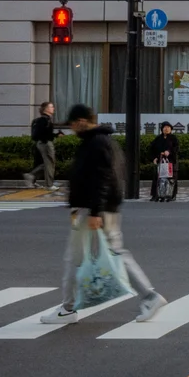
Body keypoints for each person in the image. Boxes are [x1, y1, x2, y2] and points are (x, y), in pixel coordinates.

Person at [41, 104, 164, 325]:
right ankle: (149, 296)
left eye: (72, 124)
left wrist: (95, 211)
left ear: (81, 121)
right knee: (116, 253)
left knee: (75, 259)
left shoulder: (96, 143)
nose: (72, 129)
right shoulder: (101, 141)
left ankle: (68, 309)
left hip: (94, 209)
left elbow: (102, 178)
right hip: (102, 208)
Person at [25, 101, 59, 190]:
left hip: (42, 143)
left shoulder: (44, 119)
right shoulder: (44, 120)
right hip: (45, 143)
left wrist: (56, 135)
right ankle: (49, 185)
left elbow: (44, 133)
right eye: (51, 107)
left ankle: (32, 177)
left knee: (45, 164)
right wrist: (52, 137)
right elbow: (44, 133)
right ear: (46, 109)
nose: (53, 108)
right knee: (49, 163)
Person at [149, 122, 179, 202]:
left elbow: (176, 148)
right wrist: (154, 158)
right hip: (160, 160)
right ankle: (156, 195)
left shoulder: (173, 138)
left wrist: (169, 152)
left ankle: (171, 195)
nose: (166, 129)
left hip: (171, 161)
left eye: (168, 127)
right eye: (165, 127)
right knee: (157, 178)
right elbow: (152, 149)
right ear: (162, 129)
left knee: (171, 178)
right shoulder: (158, 138)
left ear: (171, 129)